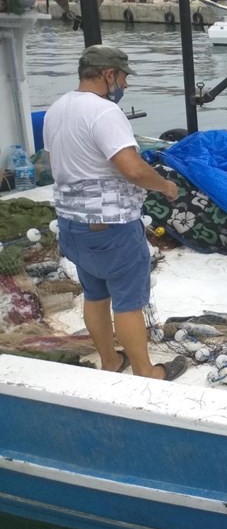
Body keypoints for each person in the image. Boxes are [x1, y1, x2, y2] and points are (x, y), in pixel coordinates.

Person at [43, 45, 187, 381]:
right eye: (123, 76)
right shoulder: (105, 113)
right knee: (128, 302)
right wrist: (164, 185)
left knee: (95, 295)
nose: (125, 84)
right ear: (109, 75)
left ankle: (110, 361)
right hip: (111, 228)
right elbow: (132, 169)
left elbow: (54, 163)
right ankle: (146, 371)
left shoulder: (56, 109)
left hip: (72, 225)